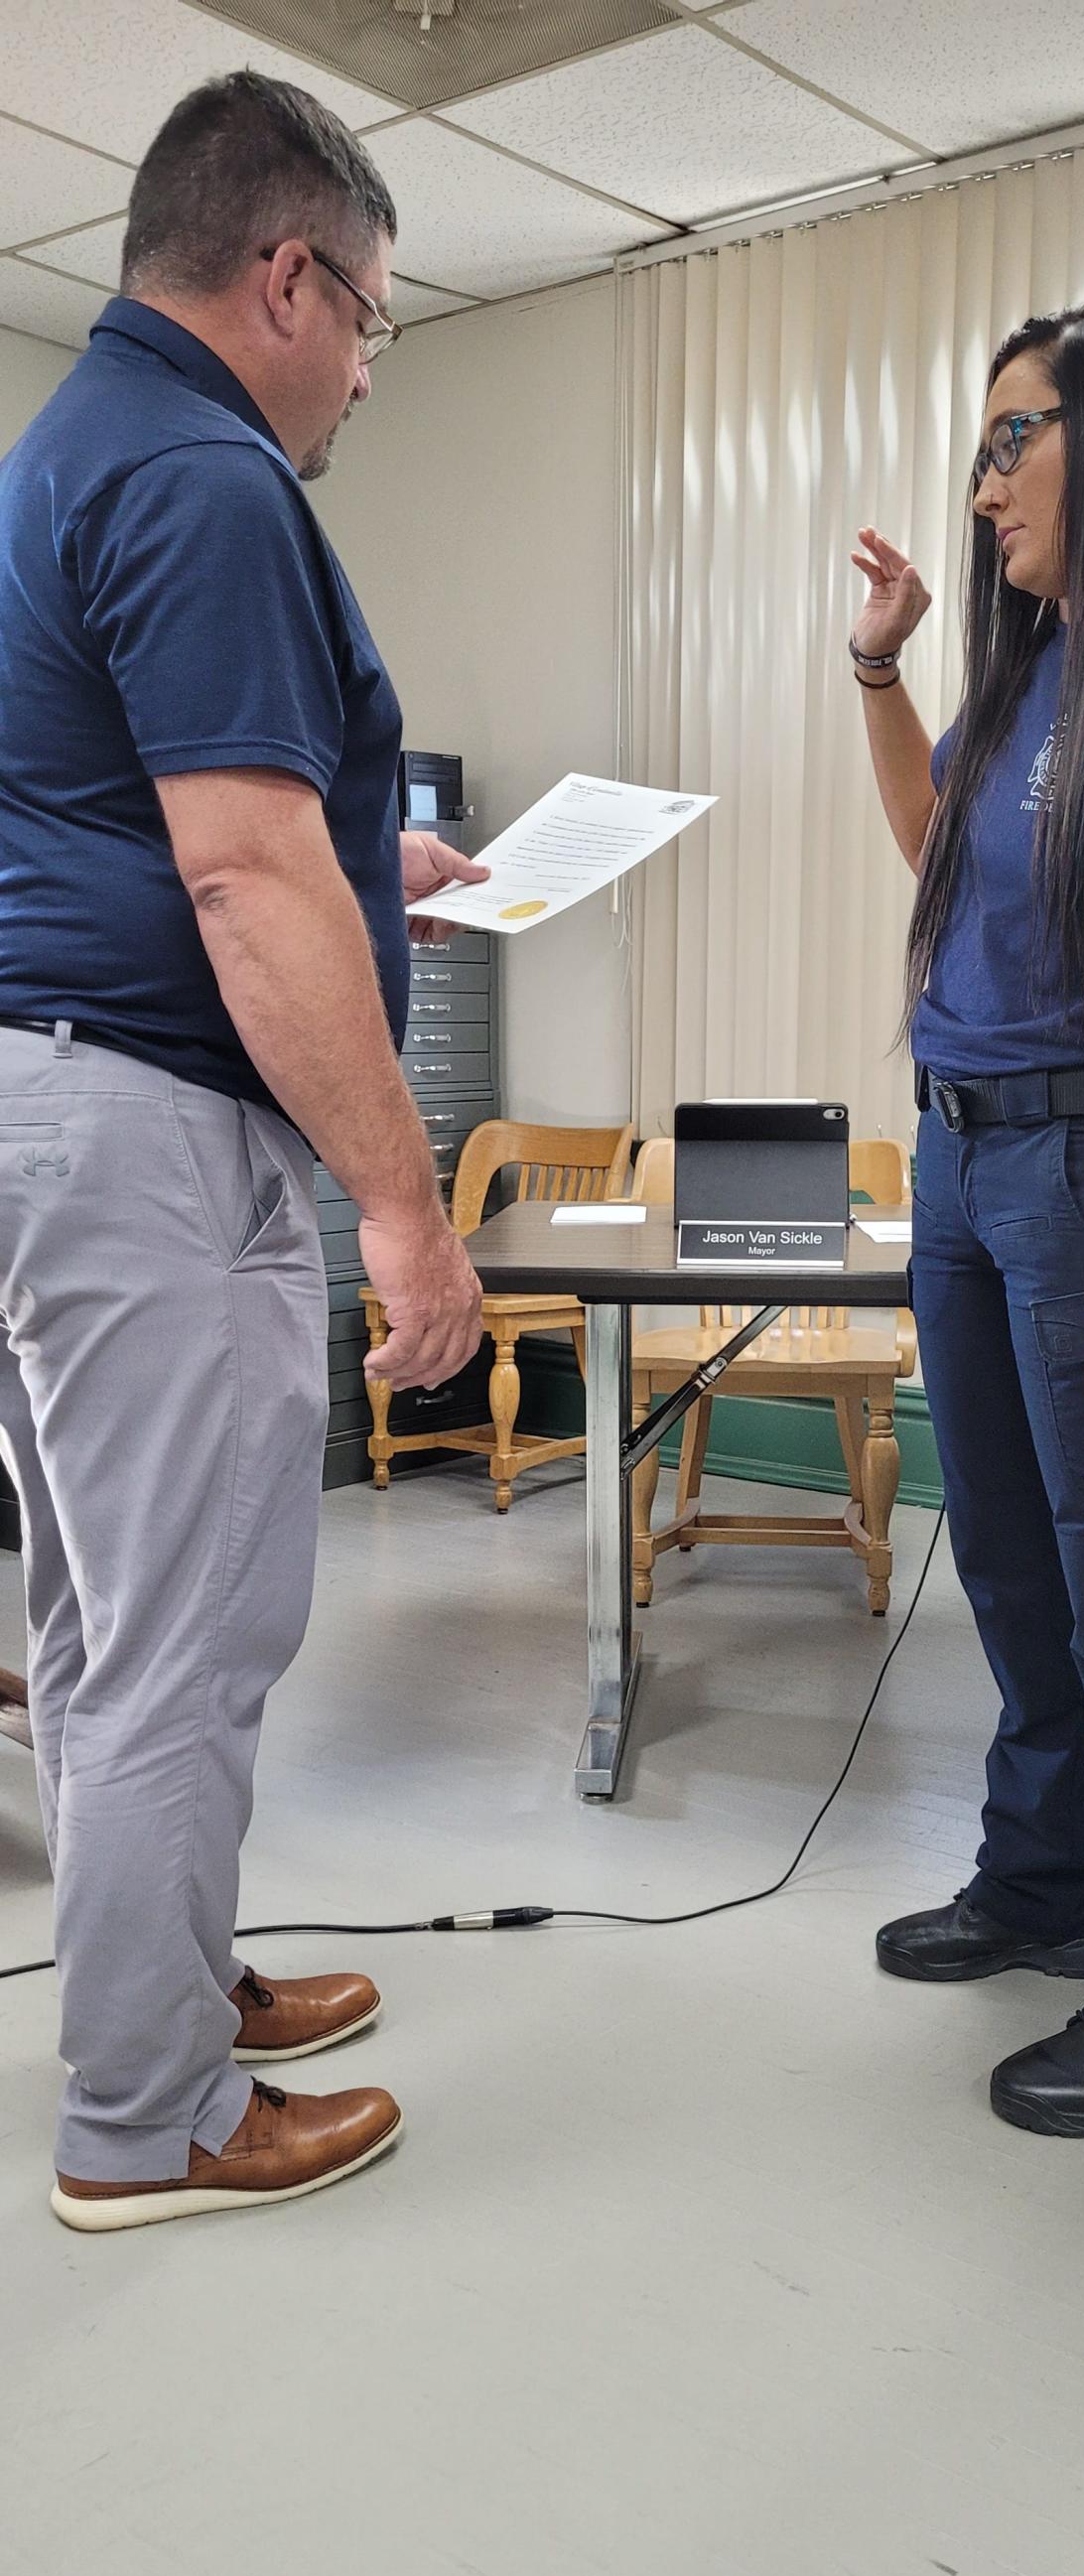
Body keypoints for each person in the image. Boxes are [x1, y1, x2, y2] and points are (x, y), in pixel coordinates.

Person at [0, 71, 490, 2231]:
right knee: (185, 1626)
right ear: (285, 276)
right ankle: (152, 2115)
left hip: (62, 1095)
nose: (372, 365)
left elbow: (160, 811)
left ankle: (167, 1986)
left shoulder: (78, 446)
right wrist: (405, 1207)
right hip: (139, 1121)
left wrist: (376, 863)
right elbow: (236, 887)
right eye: (373, 317)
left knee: (114, 1625)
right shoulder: (205, 476)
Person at [853, 301, 1084, 2137]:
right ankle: (1047, 1875)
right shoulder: (1027, 670)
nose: (985, 473)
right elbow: (939, 852)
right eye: (985, 437)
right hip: (962, 1161)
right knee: (1004, 1560)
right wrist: (878, 673)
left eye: (1017, 436)